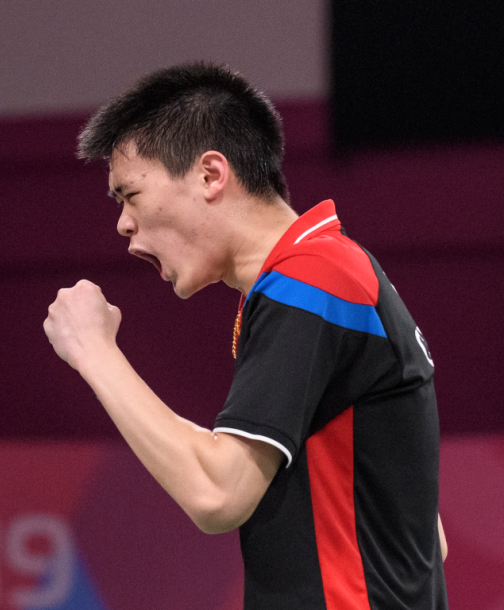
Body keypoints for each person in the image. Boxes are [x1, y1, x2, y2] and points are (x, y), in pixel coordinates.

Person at [43, 62, 448, 609]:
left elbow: (217, 494)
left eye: (130, 194)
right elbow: (429, 535)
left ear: (211, 175)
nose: (123, 224)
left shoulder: (313, 280)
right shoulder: (329, 272)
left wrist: (94, 352)